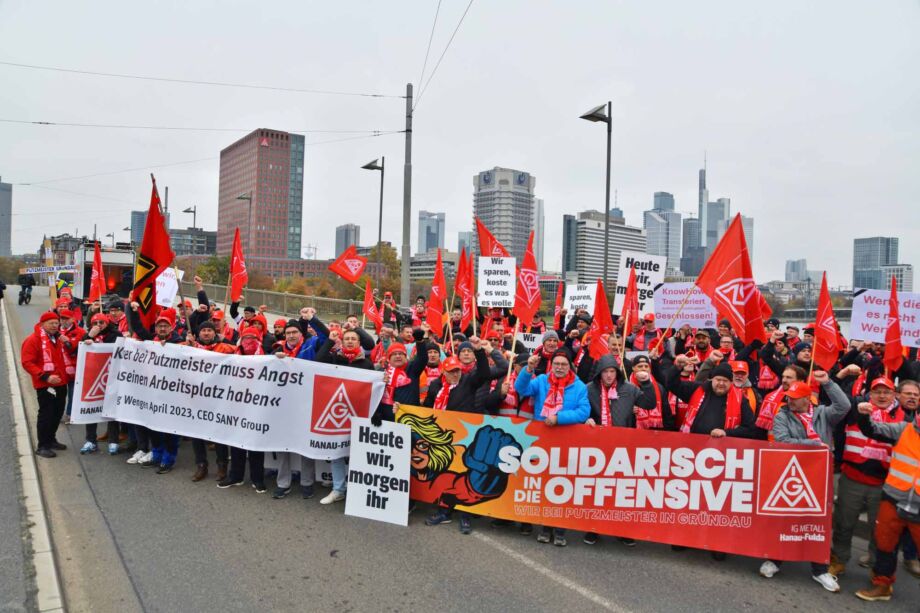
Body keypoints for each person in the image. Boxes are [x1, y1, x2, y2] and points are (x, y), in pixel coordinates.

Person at [759, 371, 851, 592]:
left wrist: (828, 383)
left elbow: (844, 406)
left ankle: (820, 569)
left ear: (807, 398)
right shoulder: (782, 415)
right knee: (784, 517)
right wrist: (815, 445)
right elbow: (783, 440)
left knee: (817, 519)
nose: (789, 400)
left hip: (819, 475)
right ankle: (775, 559)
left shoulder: (823, 414)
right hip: (792, 473)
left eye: (794, 397)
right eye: (788, 396)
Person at [665, 358, 765, 559]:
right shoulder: (696, 390)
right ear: (711, 379)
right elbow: (670, 383)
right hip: (691, 456)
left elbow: (752, 430)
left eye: (725, 381)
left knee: (718, 503)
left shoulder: (741, 399)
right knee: (690, 500)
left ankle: (717, 542)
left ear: (731, 383)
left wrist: (727, 432)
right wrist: (677, 367)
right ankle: (685, 537)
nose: (721, 384)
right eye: (718, 379)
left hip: (722, 461)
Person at [515, 349, 591, 546]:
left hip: (565, 440)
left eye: (563, 365)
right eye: (556, 364)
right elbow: (521, 389)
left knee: (562, 486)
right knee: (544, 485)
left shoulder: (579, 386)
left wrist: (559, 419)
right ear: (552, 365)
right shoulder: (541, 380)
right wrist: (528, 369)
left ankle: (560, 531)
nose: (559, 368)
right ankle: (545, 527)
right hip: (544, 439)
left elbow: (584, 411)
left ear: (569, 366)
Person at [830, 377, 904, 577]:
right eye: (877, 392)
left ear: (894, 394)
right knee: (844, 523)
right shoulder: (856, 410)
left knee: (879, 529)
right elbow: (836, 403)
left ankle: (875, 563)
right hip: (852, 477)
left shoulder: (902, 417)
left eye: (886, 392)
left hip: (884, 484)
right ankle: (839, 558)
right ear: (869, 394)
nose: (881, 396)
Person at [582, 354, 657, 545]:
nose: (608, 376)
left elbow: (650, 403)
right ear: (599, 373)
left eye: (612, 371)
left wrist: (647, 383)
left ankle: (622, 530)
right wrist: (585, 419)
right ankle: (593, 529)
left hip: (623, 447)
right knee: (597, 490)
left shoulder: (629, 389)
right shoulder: (590, 389)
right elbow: (581, 408)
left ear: (617, 372)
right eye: (605, 372)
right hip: (597, 447)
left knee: (621, 492)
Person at [853, 390, 920, 602]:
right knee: (885, 545)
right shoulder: (903, 429)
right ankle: (882, 586)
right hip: (893, 499)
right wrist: (864, 415)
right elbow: (872, 429)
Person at [422, 342, 491, 534]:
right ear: (444, 371)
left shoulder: (468, 382)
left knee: (464, 477)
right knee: (444, 475)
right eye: (451, 371)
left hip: (464, 438)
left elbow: (484, 374)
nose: (455, 374)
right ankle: (444, 511)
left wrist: (479, 352)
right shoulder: (436, 386)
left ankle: (465, 516)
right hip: (442, 439)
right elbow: (426, 408)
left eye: (457, 371)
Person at [315, 328, 376, 505]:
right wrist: (330, 341)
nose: (349, 341)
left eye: (353, 339)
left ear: (359, 343)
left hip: (359, 414)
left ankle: (359, 490)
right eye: (346, 338)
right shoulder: (336, 359)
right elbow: (318, 361)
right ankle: (338, 489)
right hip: (337, 413)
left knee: (358, 453)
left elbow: (373, 390)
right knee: (337, 452)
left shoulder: (366, 363)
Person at [129, 304, 184, 473]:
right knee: (154, 426)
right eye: (159, 326)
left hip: (171, 394)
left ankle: (169, 458)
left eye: (165, 326)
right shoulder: (151, 340)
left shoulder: (178, 342)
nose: (162, 328)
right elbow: (137, 327)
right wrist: (132, 310)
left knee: (168, 428)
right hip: (153, 393)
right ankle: (157, 453)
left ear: (171, 327)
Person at [218, 327, 268, 492]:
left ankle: (257, 479)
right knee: (236, 442)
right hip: (236, 405)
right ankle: (236, 476)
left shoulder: (267, 357)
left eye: (252, 337)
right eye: (245, 337)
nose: (248, 341)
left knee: (255, 444)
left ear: (258, 338)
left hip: (257, 405)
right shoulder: (232, 356)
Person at [186, 322, 235, 482]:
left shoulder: (225, 348)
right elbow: (166, 351)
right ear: (198, 334)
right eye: (203, 331)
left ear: (215, 333)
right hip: (196, 399)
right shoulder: (190, 347)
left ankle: (222, 465)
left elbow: (246, 354)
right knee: (196, 434)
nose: (206, 333)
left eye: (209, 330)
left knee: (218, 433)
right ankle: (201, 465)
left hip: (218, 400)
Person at [20, 311, 69, 458]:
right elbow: (27, 362)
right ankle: (42, 446)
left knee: (58, 412)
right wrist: (45, 376)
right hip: (45, 384)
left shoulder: (58, 338)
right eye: (51, 323)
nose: (55, 326)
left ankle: (51, 439)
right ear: (42, 325)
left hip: (61, 382)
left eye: (56, 323)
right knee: (46, 414)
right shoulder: (33, 340)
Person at [80, 313, 122, 455]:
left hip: (111, 377)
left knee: (111, 410)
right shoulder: (90, 334)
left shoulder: (115, 334)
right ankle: (91, 440)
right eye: (95, 322)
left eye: (101, 322)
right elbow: (80, 349)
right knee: (91, 408)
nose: (98, 325)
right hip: (94, 378)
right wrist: (89, 337)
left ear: (107, 322)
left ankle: (113, 441)